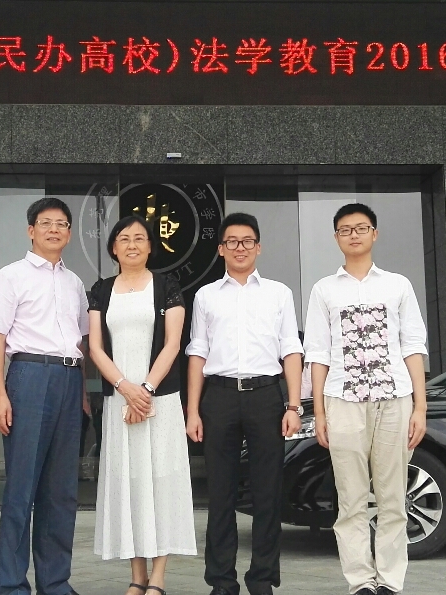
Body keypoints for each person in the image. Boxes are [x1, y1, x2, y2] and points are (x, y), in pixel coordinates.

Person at [303, 203, 428, 595]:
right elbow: (318, 354)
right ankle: (360, 581)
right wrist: (319, 411)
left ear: (374, 233)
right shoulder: (324, 289)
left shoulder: (398, 285)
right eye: (345, 229)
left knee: (393, 498)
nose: (353, 235)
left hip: (395, 399)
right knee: (351, 499)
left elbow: (413, 345)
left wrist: (420, 406)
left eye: (360, 228)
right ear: (336, 238)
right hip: (342, 401)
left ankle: (390, 581)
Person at [185, 212, 304, 595]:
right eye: (232, 241)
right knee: (220, 494)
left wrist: (293, 406)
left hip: (266, 397)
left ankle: (262, 579)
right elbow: (198, 353)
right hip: (218, 398)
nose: (240, 247)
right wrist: (193, 410)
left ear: (258, 247)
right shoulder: (206, 296)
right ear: (221, 249)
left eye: (247, 241)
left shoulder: (278, 293)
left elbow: (291, 349)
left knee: (267, 491)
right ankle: (221, 581)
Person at [0, 197, 89, 595]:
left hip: (69, 379)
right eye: (46, 223)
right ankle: (12, 584)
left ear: (69, 233)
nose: (54, 229)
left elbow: (81, 341)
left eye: (62, 224)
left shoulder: (75, 283)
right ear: (31, 230)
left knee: (61, 492)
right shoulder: (11, 276)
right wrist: (0, 394)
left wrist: (82, 392)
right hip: (28, 376)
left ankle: (55, 581)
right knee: (21, 488)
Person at [88, 215, 197, 595]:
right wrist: (125, 388)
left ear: (151, 246)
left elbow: (173, 343)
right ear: (113, 248)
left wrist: (145, 390)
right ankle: (137, 576)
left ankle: (158, 578)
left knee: (162, 482)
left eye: (139, 238)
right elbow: (95, 347)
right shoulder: (101, 290)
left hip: (159, 402)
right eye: (124, 238)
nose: (132, 244)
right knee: (129, 483)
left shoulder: (167, 286)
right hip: (120, 401)